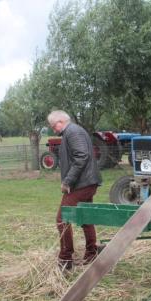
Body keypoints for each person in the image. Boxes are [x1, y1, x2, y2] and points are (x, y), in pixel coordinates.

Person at [47, 110, 102, 271]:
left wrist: (67, 181)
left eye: (53, 125)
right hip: (86, 182)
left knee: (62, 219)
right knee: (86, 217)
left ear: (60, 121)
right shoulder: (72, 132)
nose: (53, 129)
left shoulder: (72, 132)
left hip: (81, 184)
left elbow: (81, 157)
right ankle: (91, 253)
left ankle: (65, 259)